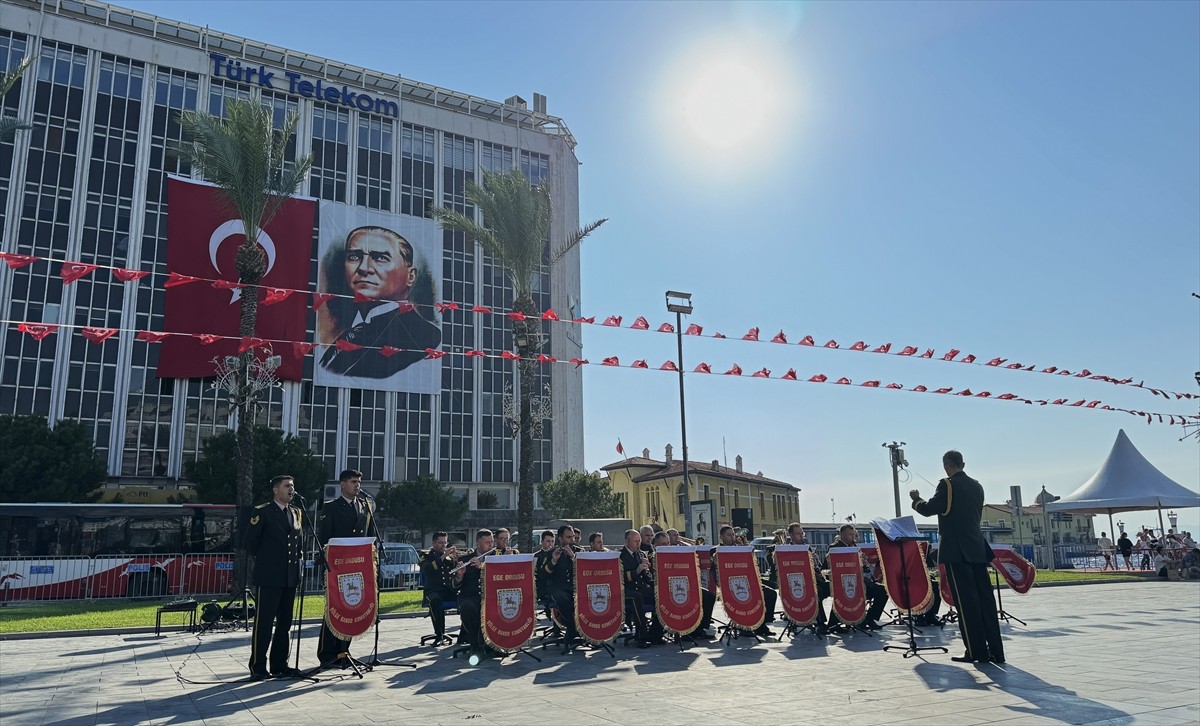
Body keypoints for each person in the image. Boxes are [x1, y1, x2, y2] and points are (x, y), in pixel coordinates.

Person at [910, 450, 1005, 664]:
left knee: (966, 603)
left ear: (946, 465)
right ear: (963, 464)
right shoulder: (977, 486)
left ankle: (975, 651)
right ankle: (996, 651)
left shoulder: (947, 484)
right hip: (977, 549)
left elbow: (929, 509)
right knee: (986, 602)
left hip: (957, 550)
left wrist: (916, 500)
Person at [319, 226, 441, 378]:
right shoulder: (352, 331)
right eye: (354, 257)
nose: (364, 268)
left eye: (381, 258)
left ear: (410, 276)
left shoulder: (424, 335)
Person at [242, 475, 304, 680]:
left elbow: (298, 543)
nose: (291, 489)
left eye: (292, 486)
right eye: (287, 486)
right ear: (276, 490)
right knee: (265, 623)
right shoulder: (263, 512)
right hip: (269, 576)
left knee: (285, 623)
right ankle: (258, 666)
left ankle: (279, 664)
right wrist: (269, 559)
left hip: (290, 576)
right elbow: (250, 543)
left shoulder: (296, 512)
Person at [316, 469, 373, 668]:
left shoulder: (365, 506)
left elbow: (369, 537)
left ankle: (344, 651)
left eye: (359, 482)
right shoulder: (331, 507)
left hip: (358, 566)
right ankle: (327, 653)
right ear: (342, 484)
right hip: (337, 566)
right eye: (353, 481)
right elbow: (324, 538)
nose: (357, 485)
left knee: (352, 607)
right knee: (334, 609)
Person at [825, 524, 888, 631]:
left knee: (882, 591)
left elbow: (861, 569)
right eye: (851, 535)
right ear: (842, 535)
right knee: (845, 592)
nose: (853, 537)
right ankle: (834, 623)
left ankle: (869, 618)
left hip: (858, 580)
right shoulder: (834, 547)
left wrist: (864, 563)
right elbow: (827, 567)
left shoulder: (855, 547)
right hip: (842, 581)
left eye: (854, 535)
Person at [716, 525, 775, 637]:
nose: (732, 537)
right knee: (746, 597)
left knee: (771, 593)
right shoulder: (716, 551)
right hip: (729, 584)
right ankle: (743, 625)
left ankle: (761, 623)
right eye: (729, 535)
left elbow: (753, 564)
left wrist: (745, 548)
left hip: (747, 581)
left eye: (733, 535)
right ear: (721, 537)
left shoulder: (740, 548)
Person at [619, 529, 664, 647]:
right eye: (635, 541)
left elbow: (647, 578)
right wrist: (637, 570)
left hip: (641, 588)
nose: (638, 544)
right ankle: (641, 636)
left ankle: (655, 634)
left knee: (661, 595)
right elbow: (620, 578)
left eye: (639, 541)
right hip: (626, 590)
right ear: (626, 541)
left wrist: (648, 571)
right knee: (637, 597)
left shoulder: (641, 554)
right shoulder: (620, 556)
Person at [453, 529, 495, 655]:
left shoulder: (497, 559)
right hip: (470, 596)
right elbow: (455, 586)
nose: (491, 545)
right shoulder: (465, 559)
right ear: (478, 543)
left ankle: (490, 644)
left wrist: (482, 566)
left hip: (491, 597)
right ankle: (474, 644)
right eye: (487, 543)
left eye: (492, 542)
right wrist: (459, 575)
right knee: (467, 607)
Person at [784, 523, 832, 628]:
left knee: (833, 588)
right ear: (791, 535)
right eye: (798, 534)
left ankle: (834, 621)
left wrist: (814, 561)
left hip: (813, 579)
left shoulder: (807, 548)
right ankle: (819, 622)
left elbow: (815, 568)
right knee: (817, 592)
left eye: (802, 533)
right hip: (798, 581)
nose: (801, 536)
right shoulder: (787, 550)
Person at [544, 524, 582, 642]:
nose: (572, 540)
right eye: (569, 537)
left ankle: (584, 630)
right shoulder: (551, 552)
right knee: (562, 599)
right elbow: (544, 573)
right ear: (560, 538)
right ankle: (572, 628)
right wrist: (554, 561)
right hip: (558, 588)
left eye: (573, 537)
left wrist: (573, 557)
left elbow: (585, 570)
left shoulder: (579, 552)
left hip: (575, 588)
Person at [419, 531, 458, 645]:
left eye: (445, 542)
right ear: (433, 543)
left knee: (467, 597)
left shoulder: (450, 557)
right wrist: (444, 556)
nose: (443, 545)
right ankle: (439, 634)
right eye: (440, 543)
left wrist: (456, 557)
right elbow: (428, 569)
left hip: (449, 590)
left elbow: (456, 569)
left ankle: (465, 634)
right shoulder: (425, 555)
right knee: (435, 600)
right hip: (433, 590)